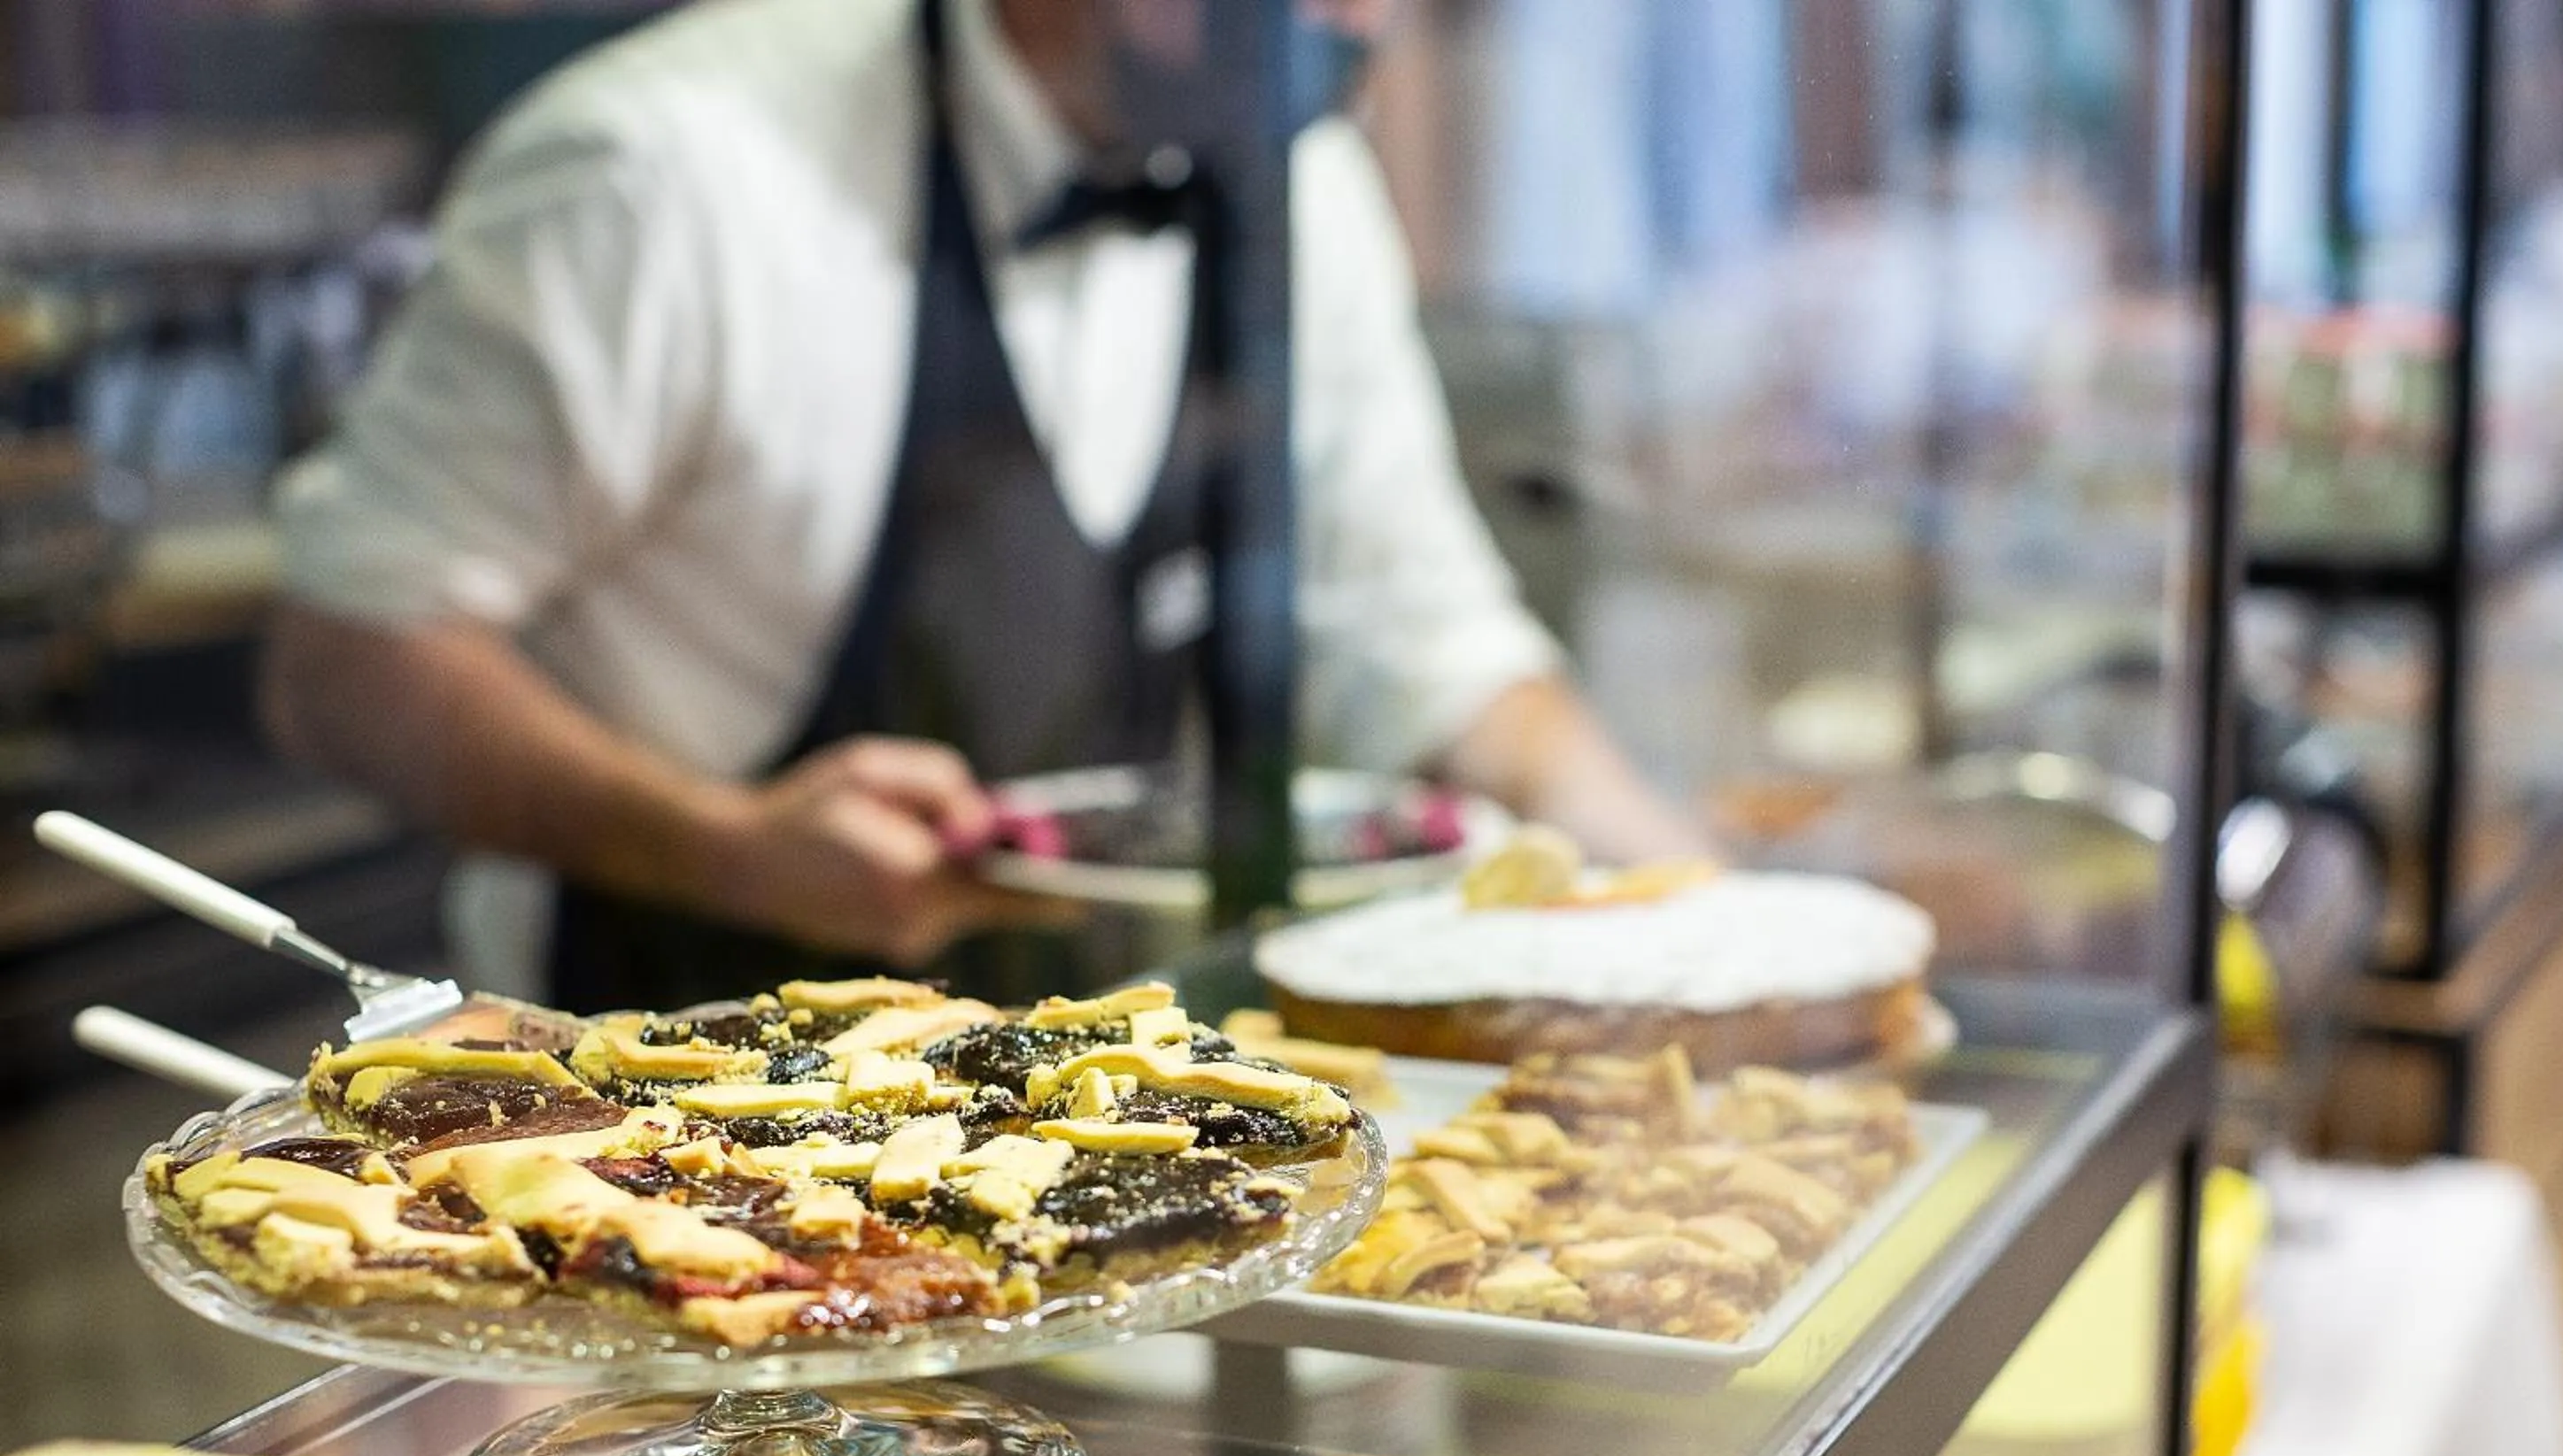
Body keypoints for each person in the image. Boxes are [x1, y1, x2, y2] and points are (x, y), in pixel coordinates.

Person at [262, 0, 1702, 1009]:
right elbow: (346, 662)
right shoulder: (663, 176)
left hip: (1090, 1152)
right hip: (651, 1155)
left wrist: (1712, 931)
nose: (1357, 20)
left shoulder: (1290, 172)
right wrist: (725, 844)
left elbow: (1429, 643)